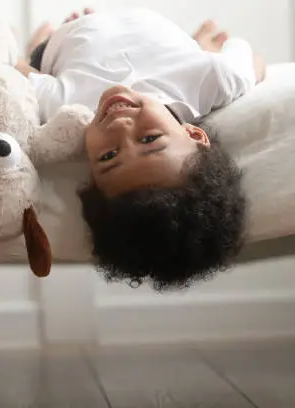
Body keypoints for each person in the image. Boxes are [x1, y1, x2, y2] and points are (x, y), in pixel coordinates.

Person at [16, 7, 265, 290]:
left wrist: (30, 60)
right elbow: (249, 60)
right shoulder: (212, 80)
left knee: (36, 59)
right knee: (198, 54)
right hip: (159, 38)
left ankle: (42, 43)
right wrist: (233, 66)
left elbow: (17, 75)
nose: (120, 127)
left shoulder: (68, 107)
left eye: (108, 156)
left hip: (69, 41)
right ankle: (197, 44)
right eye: (150, 139)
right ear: (194, 133)